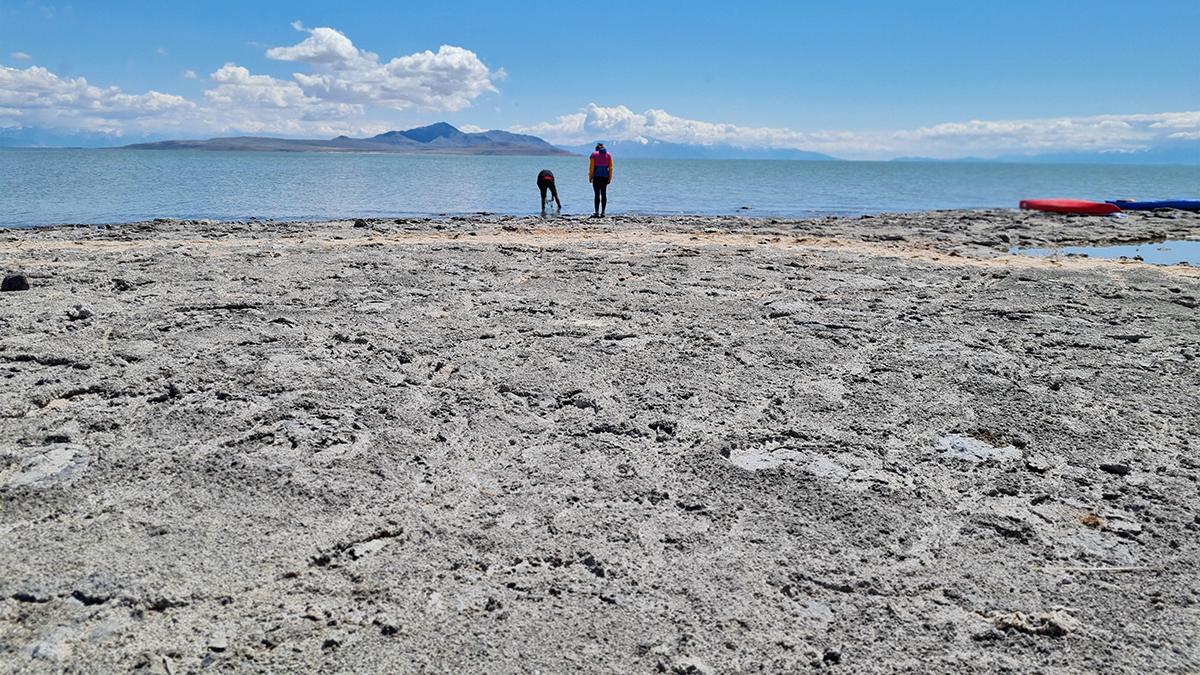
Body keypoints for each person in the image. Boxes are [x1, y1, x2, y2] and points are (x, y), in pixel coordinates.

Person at [588, 143, 613, 217]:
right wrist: (610, 177)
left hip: (596, 177)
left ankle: (596, 212)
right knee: (604, 194)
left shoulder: (593, 155)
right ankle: (603, 212)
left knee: (597, 195)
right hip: (605, 177)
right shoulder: (608, 155)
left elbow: (591, 167)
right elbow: (611, 167)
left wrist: (590, 177)